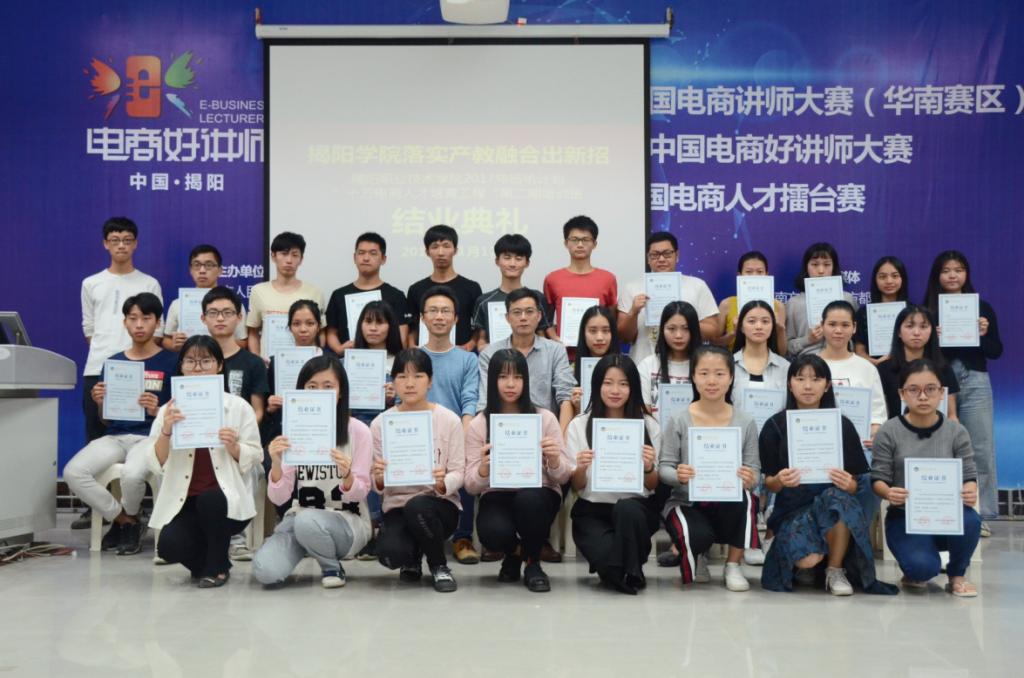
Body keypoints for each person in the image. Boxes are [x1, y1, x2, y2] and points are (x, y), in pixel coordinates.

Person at [758, 355, 896, 595]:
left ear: (827, 385)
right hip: (792, 510)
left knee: (838, 498)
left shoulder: (842, 425)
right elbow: (769, 484)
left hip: (832, 507)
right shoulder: (775, 426)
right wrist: (780, 480)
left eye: (816, 379)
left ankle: (835, 569)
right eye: (800, 379)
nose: (808, 386)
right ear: (790, 384)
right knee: (808, 559)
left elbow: (855, 485)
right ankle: (810, 564)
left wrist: (848, 484)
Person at [145, 336, 262, 588]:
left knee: (210, 500)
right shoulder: (168, 411)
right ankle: (214, 564)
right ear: (181, 367)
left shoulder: (238, 407)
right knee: (168, 547)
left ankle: (215, 569)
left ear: (219, 365)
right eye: (190, 361)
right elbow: (155, 463)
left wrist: (234, 447)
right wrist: (166, 431)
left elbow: (256, 454)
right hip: (185, 502)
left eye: (206, 361)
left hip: (227, 500)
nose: (197, 368)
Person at [65, 292, 176, 554]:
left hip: (151, 437)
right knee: (73, 472)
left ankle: (129, 519)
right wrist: (100, 402)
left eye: (146, 318)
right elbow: (105, 419)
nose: (139, 325)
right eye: (133, 318)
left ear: (157, 322)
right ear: (124, 322)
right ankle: (125, 521)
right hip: (116, 435)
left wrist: (157, 410)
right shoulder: (114, 362)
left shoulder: (172, 361)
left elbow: (179, 411)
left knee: (132, 474)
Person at [252, 356, 373, 588]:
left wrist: (347, 475)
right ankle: (312, 544)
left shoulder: (358, 432)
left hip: (347, 521)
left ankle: (331, 567)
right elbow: (279, 497)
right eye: (312, 387)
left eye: (328, 387)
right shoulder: (294, 430)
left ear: (340, 392)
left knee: (307, 521)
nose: (320, 393)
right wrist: (276, 463)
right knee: (266, 571)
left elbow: (359, 494)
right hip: (301, 517)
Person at [464, 349, 574, 591]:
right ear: (492, 381)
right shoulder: (479, 424)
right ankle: (514, 554)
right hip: (497, 492)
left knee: (529, 500)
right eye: (503, 377)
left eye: (518, 377)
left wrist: (554, 459)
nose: (511, 384)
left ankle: (533, 563)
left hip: (539, 493)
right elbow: (470, 486)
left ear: (526, 380)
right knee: (492, 532)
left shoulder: (545, 418)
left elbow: (565, 475)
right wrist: (483, 470)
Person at [872, 359, 982, 597]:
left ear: (942, 393)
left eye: (930, 389)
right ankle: (916, 565)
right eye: (914, 390)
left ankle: (956, 575)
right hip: (904, 517)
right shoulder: (889, 431)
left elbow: (969, 473)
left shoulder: (956, 431)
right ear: (902, 394)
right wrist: (888, 492)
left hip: (947, 515)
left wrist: (970, 488)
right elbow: (878, 478)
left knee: (971, 520)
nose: (923, 397)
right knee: (922, 569)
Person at [658, 346, 760, 592]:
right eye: (704, 373)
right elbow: (664, 468)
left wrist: (749, 478)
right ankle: (698, 553)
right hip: (687, 501)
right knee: (695, 536)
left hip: (727, 499)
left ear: (731, 377)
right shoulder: (679, 418)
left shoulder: (745, 421)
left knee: (747, 498)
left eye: (719, 374)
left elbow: (754, 471)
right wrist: (678, 475)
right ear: (693, 377)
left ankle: (733, 565)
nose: (711, 381)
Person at [371, 349, 466, 593]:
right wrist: (379, 478)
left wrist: (443, 482)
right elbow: (377, 483)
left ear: (430, 381)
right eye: (402, 377)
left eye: (418, 376)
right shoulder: (381, 423)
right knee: (390, 555)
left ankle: (439, 565)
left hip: (439, 505)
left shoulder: (449, 420)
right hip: (397, 506)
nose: (410, 383)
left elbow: (459, 471)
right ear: (393, 382)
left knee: (419, 507)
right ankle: (411, 556)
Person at [566, 354, 660, 594]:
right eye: (608, 383)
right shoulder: (579, 424)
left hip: (636, 511)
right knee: (610, 566)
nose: (615, 390)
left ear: (634, 387)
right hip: (592, 512)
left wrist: (648, 467)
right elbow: (577, 486)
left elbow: (653, 485)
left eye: (623, 384)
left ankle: (626, 569)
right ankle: (628, 568)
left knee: (627, 509)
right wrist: (581, 468)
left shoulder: (649, 425)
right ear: (597, 385)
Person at [925, 250, 1002, 533]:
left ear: (966, 273)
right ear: (937, 275)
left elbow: (996, 351)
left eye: (958, 270)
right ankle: (940, 513)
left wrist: (983, 333)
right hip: (939, 382)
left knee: (980, 447)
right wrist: (935, 339)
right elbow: (921, 353)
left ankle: (981, 515)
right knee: (938, 448)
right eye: (946, 270)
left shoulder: (982, 308)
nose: (952, 275)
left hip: (976, 380)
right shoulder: (927, 310)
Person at [79, 217, 163, 446]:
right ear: (105, 244)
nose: (121, 245)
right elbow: (89, 329)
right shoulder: (91, 283)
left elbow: (158, 329)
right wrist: (111, 358)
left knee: (141, 437)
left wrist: (133, 358)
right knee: (96, 437)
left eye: (127, 240)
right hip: (98, 367)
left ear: (135, 243)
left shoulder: (149, 283)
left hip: (140, 370)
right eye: (115, 240)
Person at [201, 286, 270, 561]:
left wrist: (236, 441)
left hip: (239, 442)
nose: (220, 318)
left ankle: (236, 537)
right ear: (203, 318)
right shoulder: (193, 360)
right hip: (199, 441)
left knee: (246, 465)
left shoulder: (252, 363)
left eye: (227, 312)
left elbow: (258, 411)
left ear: (239, 317)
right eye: (213, 313)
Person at [417, 286, 480, 564]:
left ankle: (462, 537)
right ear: (422, 318)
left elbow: (469, 400)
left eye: (445, 311)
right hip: (419, 434)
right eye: (433, 311)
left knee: (464, 466)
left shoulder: (468, 359)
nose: (439, 316)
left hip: (456, 433)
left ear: (455, 318)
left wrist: (462, 436)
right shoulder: (413, 357)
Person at [731, 299, 790, 566]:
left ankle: (770, 534)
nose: (758, 326)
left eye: (765, 321)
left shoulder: (786, 367)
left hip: (776, 442)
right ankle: (750, 536)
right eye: (752, 321)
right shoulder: (728, 365)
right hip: (739, 442)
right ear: (740, 326)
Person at [818, 300, 888, 524]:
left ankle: (859, 531)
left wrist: (874, 433)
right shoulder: (810, 364)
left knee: (870, 476)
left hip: (859, 444)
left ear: (854, 328)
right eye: (832, 324)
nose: (838, 330)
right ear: (822, 326)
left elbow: (878, 412)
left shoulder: (866, 368)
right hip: (819, 443)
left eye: (845, 325)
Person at [478, 288, 575, 431]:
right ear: (507, 317)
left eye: (529, 311)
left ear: (539, 316)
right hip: (502, 430)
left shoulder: (555, 351)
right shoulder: (490, 353)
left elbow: (565, 397)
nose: (523, 317)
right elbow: (485, 401)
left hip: (545, 431)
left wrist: (560, 437)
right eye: (517, 312)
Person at [349, 300, 402, 560]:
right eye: (368, 322)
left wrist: (396, 395)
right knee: (364, 462)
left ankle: (386, 525)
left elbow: (414, 399)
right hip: (356, 424)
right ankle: (370, 527)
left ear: (390, 327)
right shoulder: (349, 360)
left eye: (380, 322)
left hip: (390, 423)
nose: (373, 328)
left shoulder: (401, 361)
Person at [618, 232, 717, 365]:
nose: (661, 259)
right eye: (655, 255)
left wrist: (685, 320)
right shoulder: (631, 288)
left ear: (677, 255)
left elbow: (713, 331)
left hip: (688, 365)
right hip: (643, 364)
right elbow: (624, 337)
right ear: (648, 258)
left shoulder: (697, 285)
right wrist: (633, 312)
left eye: (667, 254)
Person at [325, 232, 412, 353]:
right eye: (361, 253)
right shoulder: (339, 295)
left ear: (383, 259)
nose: (366, 258)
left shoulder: (396, 295)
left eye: (373, 253)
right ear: (354, 257)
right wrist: (339, 349)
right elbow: (331, 332)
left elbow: (402, 333)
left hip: (386, 360)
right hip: (347, 359)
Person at [246, 231, 325, 359]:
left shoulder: (314, 292)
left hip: (307, 364)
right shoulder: (258, 291)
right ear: (273, 256)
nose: (289, 260)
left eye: (295, 255)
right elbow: (253, 332)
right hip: (269, 365)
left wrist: (316, 360)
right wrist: (257, 361)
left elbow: (321, 333)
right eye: (284, 254)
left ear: (301, 259)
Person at [262, 300, 329, 445]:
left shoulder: (331, 362)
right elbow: (265, 410)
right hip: (284, 434)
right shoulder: (276, 362)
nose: (303, 329)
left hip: (321, 431)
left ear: (318, 326)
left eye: (310, 323)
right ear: (290, 327)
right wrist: (270, 408)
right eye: (296, 324)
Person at [877, 305, 959, 422]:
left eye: (923, 327)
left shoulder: (943, 368)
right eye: (910, 326)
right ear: (899, 332)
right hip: (896, 431)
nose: (916, 332)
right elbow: (879, 414)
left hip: (937, 431)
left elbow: (951, 415)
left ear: (932, 331)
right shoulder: (884, 369)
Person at [543, 215, 617, 345]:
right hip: (563, 352)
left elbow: (612, 319)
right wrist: (554, 338)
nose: (580, 244)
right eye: (574, 239)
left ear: (594, 244)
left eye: (586, 239)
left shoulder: (608, 279)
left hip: (597, 351)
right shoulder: (552, 279)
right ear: (566, 243)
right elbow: (546, 319)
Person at [472, 234, 554, 350]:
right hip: (497, 358)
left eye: (518, 258)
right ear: (497, 261)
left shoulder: (537, 298)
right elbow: (481, 339)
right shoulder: (484, 301)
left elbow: (541, 334)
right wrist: (483, 347)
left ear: (527, 263)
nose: (512, 264)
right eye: (507, 257)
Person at [406, 225, 482, 349]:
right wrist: (412, 345)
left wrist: (469, 345)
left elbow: (479, 326)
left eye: (446, 246)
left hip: (462, 353)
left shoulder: (472, 288)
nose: (441, 252)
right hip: (424, 355)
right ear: (427, 252)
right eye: (435, 247)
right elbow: (412, 327)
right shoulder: (416, 289)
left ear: (455, 250)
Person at [163, 244, 248, 352]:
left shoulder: (233, 303)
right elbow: (166, 340)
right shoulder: (178, 304)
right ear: (190, 270)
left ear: (220, 270)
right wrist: (175, 345)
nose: (202, 270)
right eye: (197, 265)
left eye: (208, 265)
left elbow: (243, 341)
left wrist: (216, 345)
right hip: (189, 359)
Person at [785, 242, 858, 359]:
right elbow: (786, 348)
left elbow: (858, 340)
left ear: (834, 267)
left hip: (844, 360)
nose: (821, 270)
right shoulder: (794, 304)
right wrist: (808, 339)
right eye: (814, 264)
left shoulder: (847, 299)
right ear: (806, 267)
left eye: (827, 264)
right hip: (808, 361)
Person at [713, 251, 787, 355]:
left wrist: (780, 328)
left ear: (767, 274)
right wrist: (733, 333)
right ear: (739, 275)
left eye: (760, 272)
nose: (754, 276)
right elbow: (715, 343)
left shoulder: (778, 306)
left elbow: (782, 352)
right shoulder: (726, 304)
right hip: (733, 360)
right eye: (749, 271)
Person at [636, 301, 700, 417]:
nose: (678, 335)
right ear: (662, 330)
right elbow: (645, 412)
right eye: (671, 328)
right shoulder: (647, 365)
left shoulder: (704, 366)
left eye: (686, 328)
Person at [852, 256, 909, 364]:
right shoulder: (863, 313)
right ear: (875, 280)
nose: (889, 281)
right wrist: (873, 363)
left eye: (895, 276)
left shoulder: (912, 311)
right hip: (872, 367)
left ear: (903, 278)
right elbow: (859, 349)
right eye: (882, 277)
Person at [570, 305, 619, 415]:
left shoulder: (625, 368)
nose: (599, 338)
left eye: (606, 331)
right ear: (583, 334)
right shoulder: (570, 374)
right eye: (593, 331)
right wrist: (577, 407)